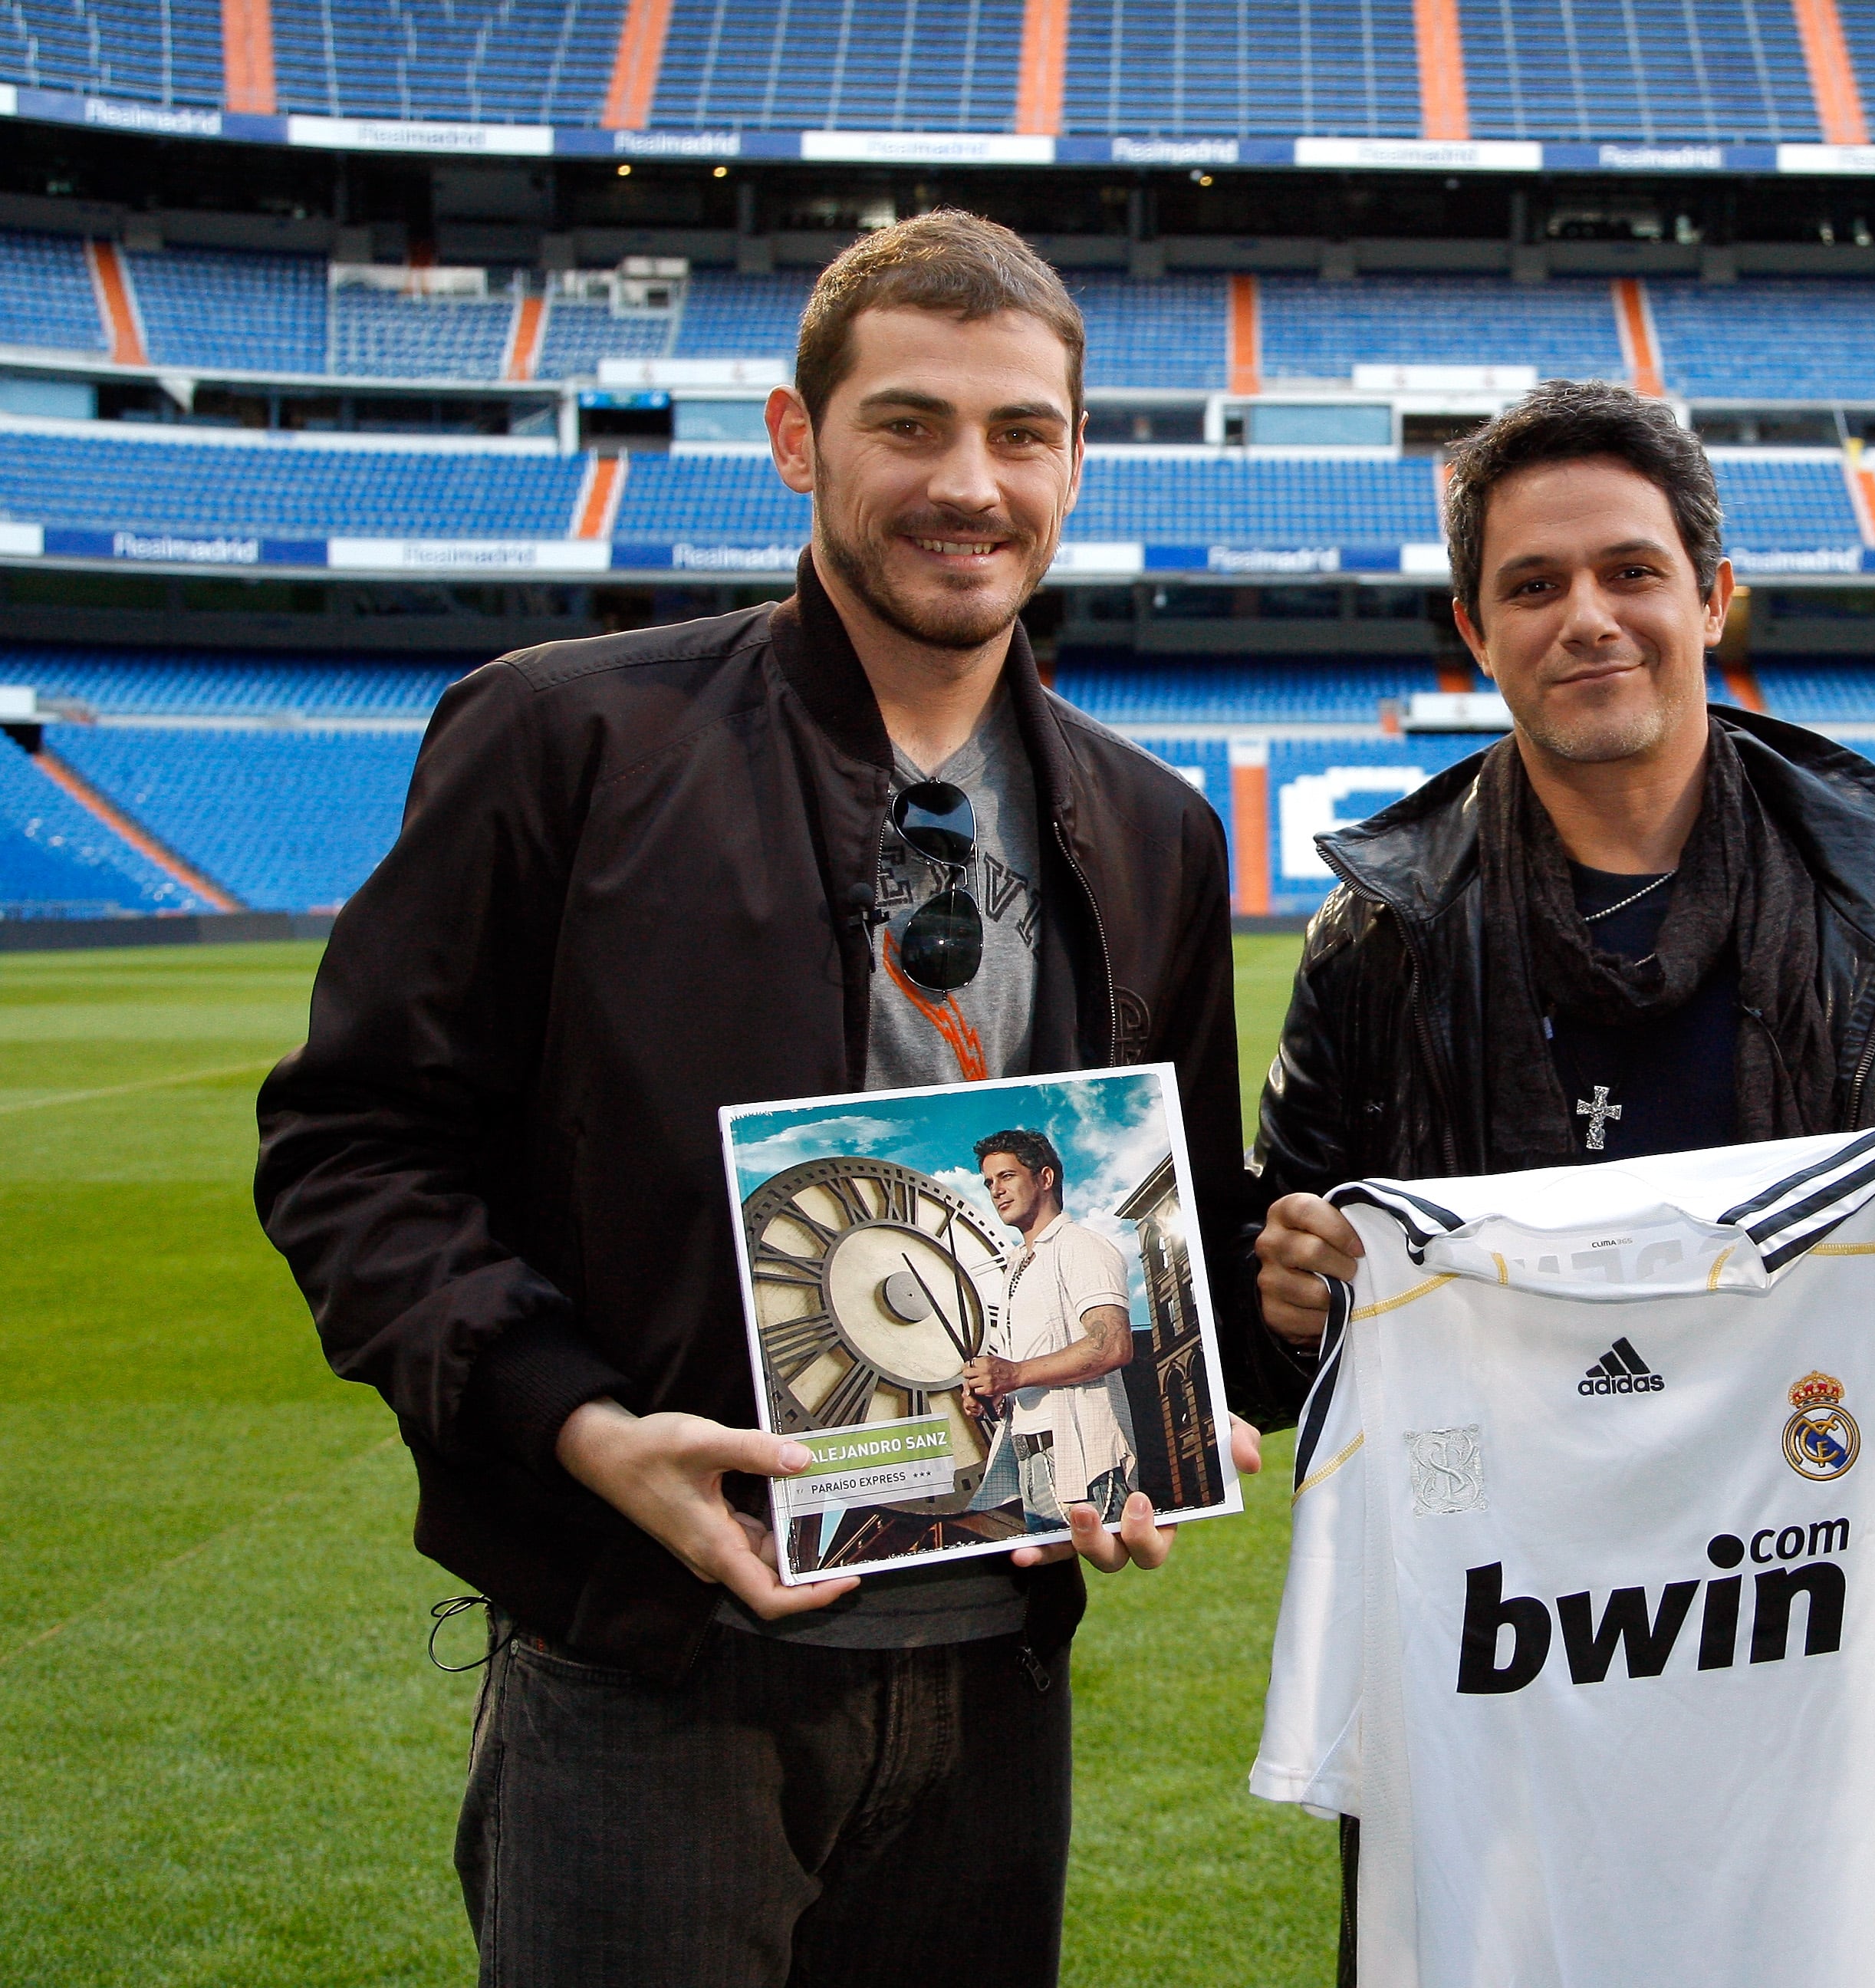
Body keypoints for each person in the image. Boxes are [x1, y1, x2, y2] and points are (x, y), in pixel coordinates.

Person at [255, 209, 1302, 1988]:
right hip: (652, 1674)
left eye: (1019, 434)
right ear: (796, 438)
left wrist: (1212, 1365)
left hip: (993, 1682)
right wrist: (575, 1423)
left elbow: (1172, 1207)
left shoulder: (1150, 829)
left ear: (1073, 459)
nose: (967, 482)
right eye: (908, 423)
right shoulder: (567, 743)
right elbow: (354, 1148)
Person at [1248, 378, 1875, 1986]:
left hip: (1830, 1707)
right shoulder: (1382, 937)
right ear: (1475, 629)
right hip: (1495, 1714)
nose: (1588, 617)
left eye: (1631, 573)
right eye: (1534, 586)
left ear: (1709, 597)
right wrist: (1287, 1287)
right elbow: (1269, 1334)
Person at [962, 1127, 1139, 1527]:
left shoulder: (1079, 1245)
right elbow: (1027, 1376)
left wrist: (1014, 1373)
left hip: (1080, 1462)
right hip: (1029, 1460)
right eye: (989, 1182)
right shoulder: (1015, 1266)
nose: (995, 1191)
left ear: (1045, 1178)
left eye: (1006, 1176)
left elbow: (1112, 1345)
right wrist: (992, 1392)